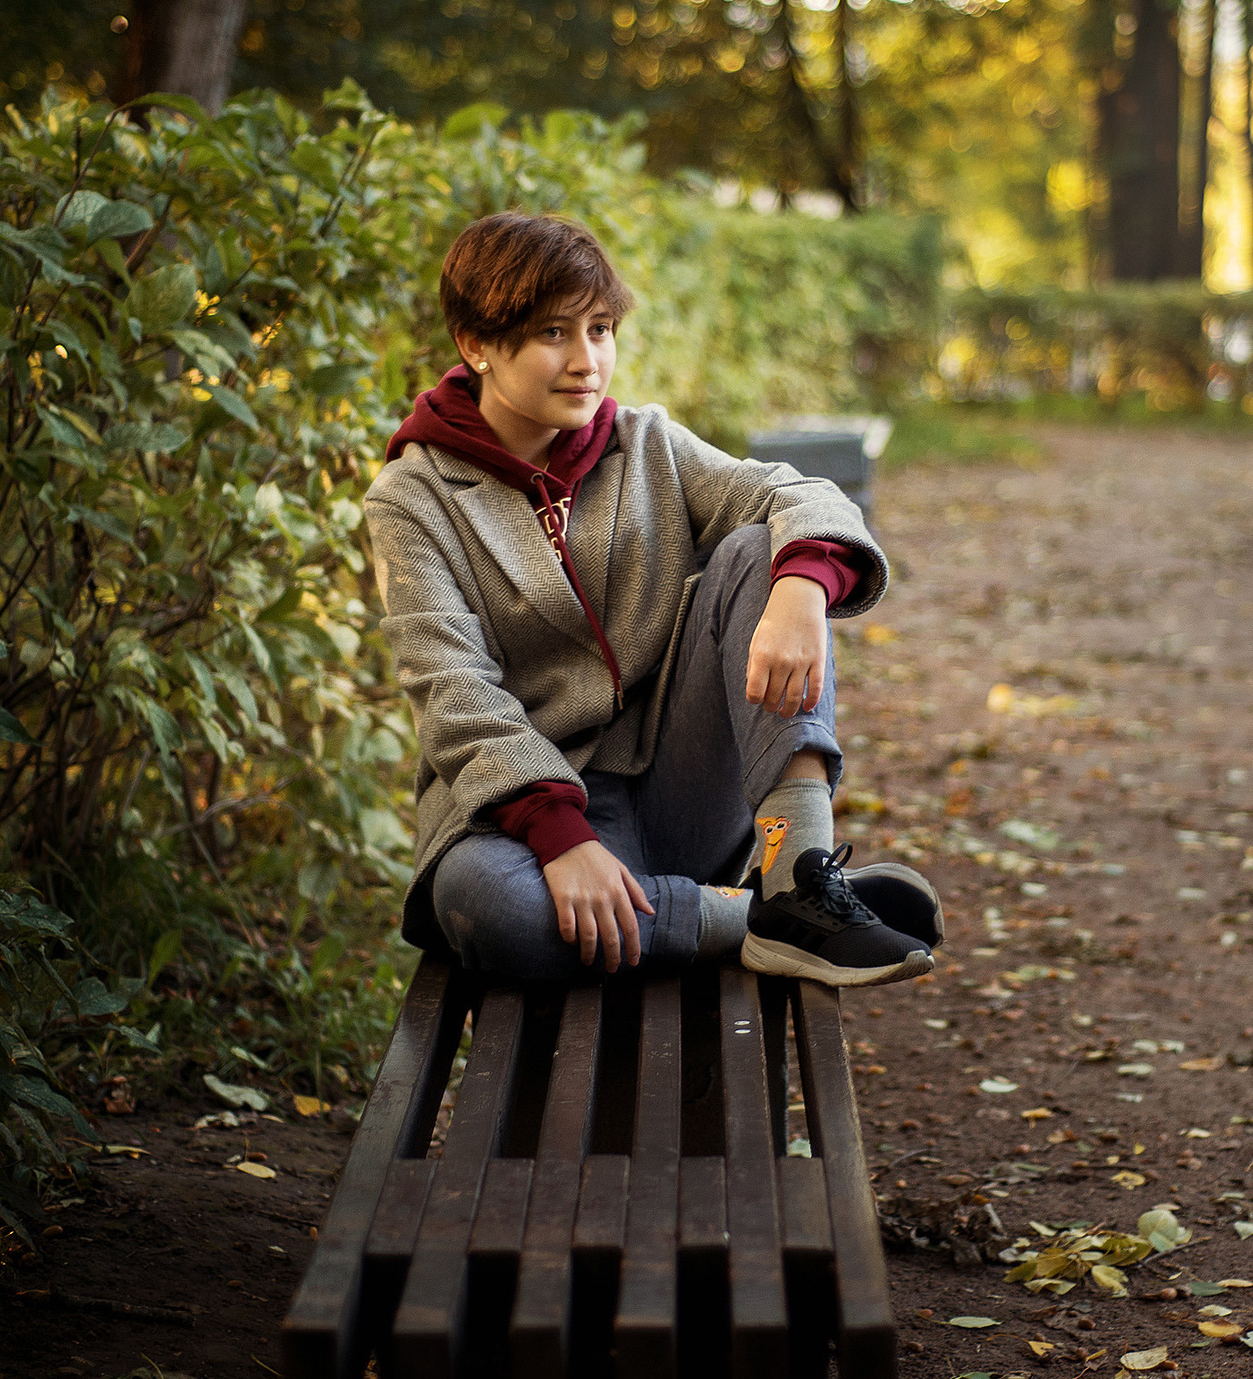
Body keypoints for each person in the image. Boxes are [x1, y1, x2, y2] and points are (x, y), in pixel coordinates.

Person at [363, 211, 943, 986]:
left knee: (755, 547)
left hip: (679, 790)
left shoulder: (646, 443)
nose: (587, 361)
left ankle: (800, 873)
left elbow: (799, 492)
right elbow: (453, 691)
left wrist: (805, 586)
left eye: (601, 329)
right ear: (476, 344)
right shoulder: (415, 498)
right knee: (482, 904)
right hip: (523, 817)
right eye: (552, 334)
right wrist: (562, 837)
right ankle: (755, 917)